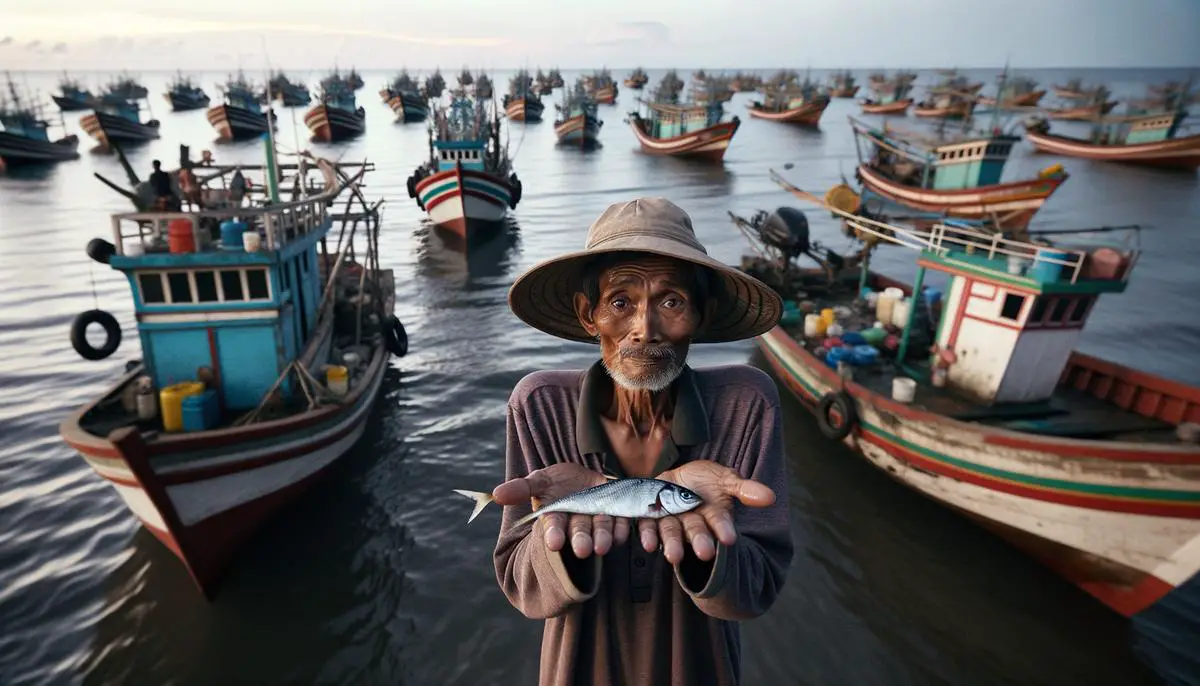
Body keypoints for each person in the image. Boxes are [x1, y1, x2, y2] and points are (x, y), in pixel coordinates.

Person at [490, 197, 793, 686]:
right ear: (588, 316)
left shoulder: (747, 403)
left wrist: (711, 548)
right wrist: (560, 539)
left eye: (671, 301)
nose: (643, 329)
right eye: (619, 303)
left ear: (701, 313)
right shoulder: (539, 404)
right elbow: (520, 584)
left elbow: (757, 588)